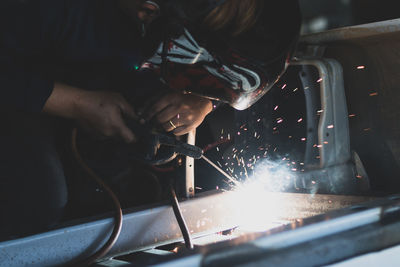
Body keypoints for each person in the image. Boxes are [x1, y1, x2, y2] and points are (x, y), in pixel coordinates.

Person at [0, 0, 301, 240]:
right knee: (38, 200)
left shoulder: (179, 19)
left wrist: (203, 100)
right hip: (17, 87)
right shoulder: (49, 9)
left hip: (105, 72)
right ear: (147, 11)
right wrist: (76, 103)